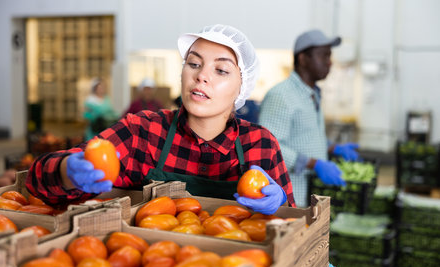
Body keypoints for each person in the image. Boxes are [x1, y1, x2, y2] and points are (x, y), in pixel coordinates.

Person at [25, 24, 296, 216]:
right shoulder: (142, 132)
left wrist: (280, 203)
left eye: (221, 70)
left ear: (242, 87)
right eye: (193, 63)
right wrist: (66, 171)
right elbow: (37, 182)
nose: (202, 76)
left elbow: (293, 226)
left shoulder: (259, 144)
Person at [259, 29, 360, 207]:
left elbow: (305, 135)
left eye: (329, 57)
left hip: (310, 195)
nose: (329, 63)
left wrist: (333, 147)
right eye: (323, 56)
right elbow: (268, 146)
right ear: (303, 59)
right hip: (288, 198)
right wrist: (314, 164)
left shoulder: (312, 94)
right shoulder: (281, 95)